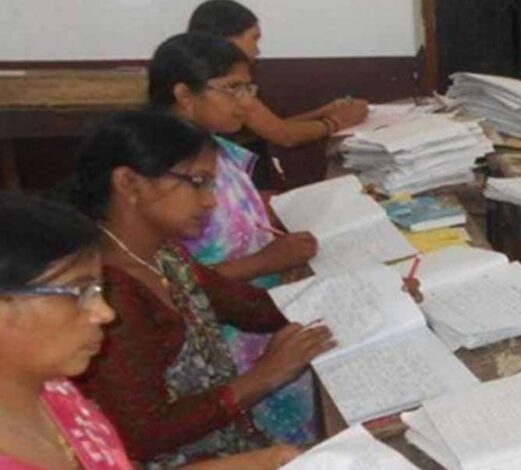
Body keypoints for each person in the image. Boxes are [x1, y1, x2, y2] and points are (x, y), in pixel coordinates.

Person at [72, 110, 335, 468]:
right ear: (129, 183)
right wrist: (263, 376)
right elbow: (144, 436)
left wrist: (362, 296)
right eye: (197, 182)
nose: (210, 200)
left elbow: (252, 309)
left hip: (231, 444)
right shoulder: (110, 293)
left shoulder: (163, 255)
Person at [0, 193, 301, 470]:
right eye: (79, 293)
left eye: (97, 290)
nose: (105, 313)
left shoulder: (53, 390)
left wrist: (265, 462)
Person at [148, 33, 325, 445]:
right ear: (184, 94)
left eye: (249, 88)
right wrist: (267, 261)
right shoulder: (164, 173)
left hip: (264, 316)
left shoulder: (216, 150)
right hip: (229, 349)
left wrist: (269, 213)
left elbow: (235, 215)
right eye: (233, 89)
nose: (246, 102)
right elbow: (168, 280)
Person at [187, 0, 369, 149]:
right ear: (227, 39)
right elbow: (285, 136)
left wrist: (323, 112)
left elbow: (271, 127)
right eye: (253, 38)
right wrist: (336, 122)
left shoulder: (200, 72)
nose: (257, 50)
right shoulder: (224, 84)